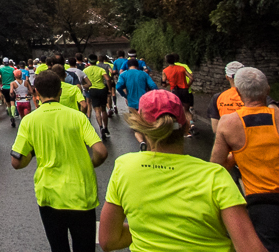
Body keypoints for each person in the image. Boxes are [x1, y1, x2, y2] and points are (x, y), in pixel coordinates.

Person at [100, 89, 267, 252]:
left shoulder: (124, 167)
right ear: (186, 126)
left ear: (142, 129)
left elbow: (108, 241)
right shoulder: (215, 175)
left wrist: (149, 229)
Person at [11, 70, 108, 252]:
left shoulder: (29, 121)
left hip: (49, 193)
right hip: (81, 191)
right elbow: (101, 152)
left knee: (58, 247)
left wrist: (32, 154)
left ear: (36, 93)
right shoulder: (77, 117)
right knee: (85, 247)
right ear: (60, 91)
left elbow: (16, 162)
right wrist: (91, 163)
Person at [210, 67, 279, 252]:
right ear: (267, 89)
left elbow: (216, 166)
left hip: (264, 206)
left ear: (237, 93)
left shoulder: (229, 124)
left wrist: (237, 155)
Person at [116, 58, 158, 150]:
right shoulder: (143, 74)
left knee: (136, 125)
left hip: (131, 103)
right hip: (145, 103)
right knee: (146, 123)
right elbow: (153, 86)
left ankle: (141, 142)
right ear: (138, 65)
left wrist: (125, 95)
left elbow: (118, 86)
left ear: (127, 66)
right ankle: (151, 145)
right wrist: (152, 95)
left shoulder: (124, 75)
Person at [163, 53, 196, 135]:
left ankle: (183, 129)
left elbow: (163, 83)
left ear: (167, 61)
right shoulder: (182, 68)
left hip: (175, 91)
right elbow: (191, 78)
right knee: (186, 110)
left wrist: (168, 83)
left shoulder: (165, 71)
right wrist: (188, 86)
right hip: (185, 90)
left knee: (178, 110)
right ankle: (192, 124)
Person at [84, 53, 111, 139]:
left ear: (89, 61)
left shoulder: (85, 70)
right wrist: (109, 88)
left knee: (96, 110)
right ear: (96, 60)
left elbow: (83, 80)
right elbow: (107, 78)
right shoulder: (100, 69)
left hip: (92, 90)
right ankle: (106, 127)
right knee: (103, 109)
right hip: (102, 89)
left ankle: (100, 127)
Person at [0, 59, 18, 127]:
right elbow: (15, 76)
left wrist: (0, 80)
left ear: (3, 62)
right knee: (13, 102)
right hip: (11, 87)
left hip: (4, 87)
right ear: (9, 62)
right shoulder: (12, 69)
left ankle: (11, 117)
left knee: (8, 103)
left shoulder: (1, 69)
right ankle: (13, 115)